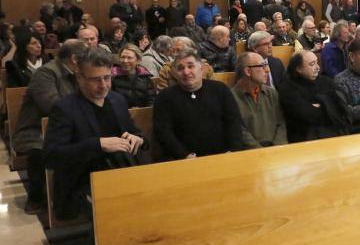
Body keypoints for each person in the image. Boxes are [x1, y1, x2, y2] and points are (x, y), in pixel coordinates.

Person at [43, 48, 145, 221]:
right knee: (118, 210)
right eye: (95, 80)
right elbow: (51, 156)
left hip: (121, 173)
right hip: (83, 180)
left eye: (107, 78)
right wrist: (98, 145)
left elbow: (135, 133)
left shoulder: (117, 100)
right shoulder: (65, 108)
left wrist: (139, 139)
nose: (103, 85)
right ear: (80, 78)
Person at [13, 39, 88, 213]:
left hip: (67, 125)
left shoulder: (78, 72)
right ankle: (36, 197)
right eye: (87, 56)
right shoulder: (46, 73)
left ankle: (79, 195)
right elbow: (53, 106)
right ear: (75, 58)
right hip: (35, 128)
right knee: (40, 150)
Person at [154, 48, 244, 160]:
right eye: (180, 68)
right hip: (183, 160)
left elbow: (234, 122)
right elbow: (163, 132)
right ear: (174, 73)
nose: (186, 72)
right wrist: (184, 155)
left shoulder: (220, 89)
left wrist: (233, 150)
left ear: (201, 69)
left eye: (190, 66)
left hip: (224, 156)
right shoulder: (164, 97)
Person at [278, 50, 350, 142]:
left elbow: (343, 102)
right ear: (298, 68)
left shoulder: (325, 81)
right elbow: (307, 114)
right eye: (312, 64)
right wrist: (329, 105)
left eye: (317, 62)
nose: (318, 67)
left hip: (336, 132)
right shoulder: (287, 88)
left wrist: (321, 105)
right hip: (305, 138)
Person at [231, 52, 287, 148]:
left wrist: (278, 147)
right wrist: (260, 151)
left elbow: (281, 123)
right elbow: (240, 132)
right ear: (248, 71)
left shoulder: (271, 93)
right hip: (249, 154)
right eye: (262, 66)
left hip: (277, 151)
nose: (268, 70)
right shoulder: (232, 97)